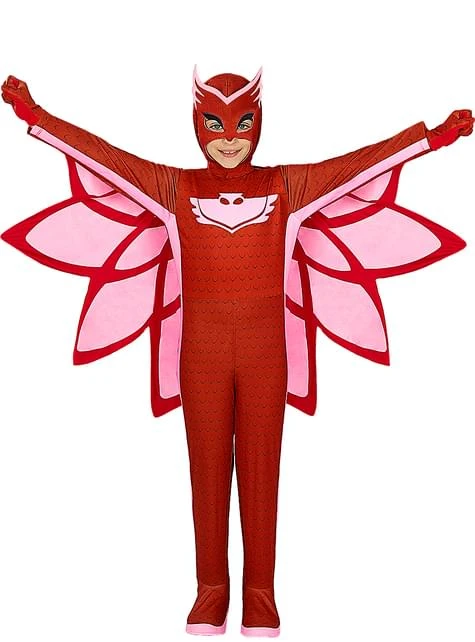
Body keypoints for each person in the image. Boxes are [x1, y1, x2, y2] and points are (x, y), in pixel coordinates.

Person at [1, 69, 473, 637]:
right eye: (215, 124)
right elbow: (106, 158)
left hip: (265, 355)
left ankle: (260, 594)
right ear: (197, 126)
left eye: (243, 123)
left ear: (259, 123)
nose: (229, 138)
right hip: (199, 354)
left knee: (261, 469)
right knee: (206, 470)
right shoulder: (174, 188)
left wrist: (432, 137)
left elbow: (359, 165)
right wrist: (36, 116)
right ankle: (211, 589)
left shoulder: (287, 186)